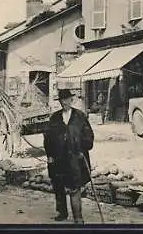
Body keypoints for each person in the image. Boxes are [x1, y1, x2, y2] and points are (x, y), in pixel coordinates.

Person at [43, 89, 95, 223]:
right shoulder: (55, 118)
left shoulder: (80, 116)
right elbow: (47, 138)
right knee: (58, 186)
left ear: (71, 100)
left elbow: (88, 135)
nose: (64, 102)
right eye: (62, 100)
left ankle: (78, 217)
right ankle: (62, 213)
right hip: (58, 158)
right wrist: (49, 155)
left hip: (75, 158)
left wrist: (83, 148)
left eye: (67, 99)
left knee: (75, 187)